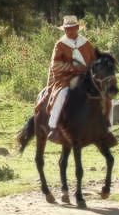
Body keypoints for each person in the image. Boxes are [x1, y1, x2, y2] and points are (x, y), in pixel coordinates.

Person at [42, 15, 106, 145]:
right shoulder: (60, 45)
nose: (69, 31)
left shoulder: (86, 43)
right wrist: (73, 67)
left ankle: (106, 128)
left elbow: (95, 60)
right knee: (62, 94)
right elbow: (55, 65)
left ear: (77, 28)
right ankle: (53, 127)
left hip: (86, 78)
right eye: (67, 29)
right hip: (66, 79)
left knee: (105, 96)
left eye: (72, 28)